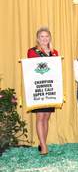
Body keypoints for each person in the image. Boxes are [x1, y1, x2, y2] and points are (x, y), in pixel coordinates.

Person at [27, 26, 59, 155]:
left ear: (49, 38)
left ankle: (42, 144)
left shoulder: (54, 52)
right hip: (39, 88)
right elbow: (33, 67)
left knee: (46, 116)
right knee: (40, 116)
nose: (45, 38)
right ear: (38, 38)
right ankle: (44, 147)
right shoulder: (32, 51)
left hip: (50, 87)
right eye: (42, 36)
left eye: (47, 36)